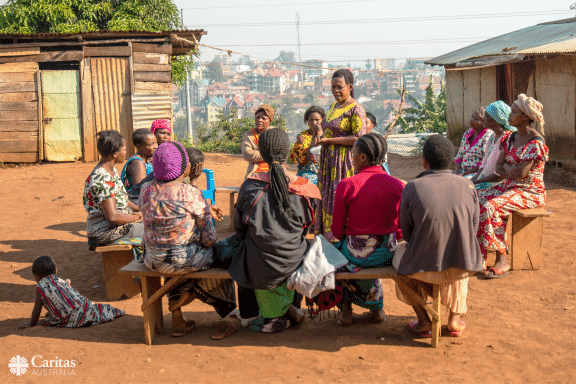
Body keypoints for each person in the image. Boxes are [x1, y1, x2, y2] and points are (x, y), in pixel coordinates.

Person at [228, 128, 321, 333]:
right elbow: (307, 227)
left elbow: (240, 229)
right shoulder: (305, 188)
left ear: (261, 152)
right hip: (294, 260)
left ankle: (250, 314)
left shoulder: (250, 186)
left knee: (239, 251)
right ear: (287, 152)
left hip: (260, 264)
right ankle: (289, 307)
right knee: (302, 247)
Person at [139, 142, 235, 338]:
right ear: (184, 167)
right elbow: (209, 239)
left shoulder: (146, 190)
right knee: (226, 250)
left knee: (176, 257)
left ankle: (177, 318)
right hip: (184, 261)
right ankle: (184, 299)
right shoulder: (191, 193)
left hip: (152, 259)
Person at [396, 135, 484, 338]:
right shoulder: (468, 186)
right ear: (453, 161)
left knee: (398, 258)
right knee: (461, 248)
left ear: (424, 162)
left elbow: (407, 234)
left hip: (421, 267)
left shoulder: (412, 187)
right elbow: (472, 228)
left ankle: (424, 319)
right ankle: (454, 318)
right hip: (464, 266)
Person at [331, 133, 404, 326]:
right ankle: (376, 309)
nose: (351, 158)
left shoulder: (347, 185)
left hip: (357, 255)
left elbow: (337, 231)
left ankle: (346, 310)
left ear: (362, 157)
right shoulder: (397, 184)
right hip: (387, 254)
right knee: (368, 256)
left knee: (337, 254)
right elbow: (401, 231)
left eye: (353, 154)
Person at [477, 94, 548, 278]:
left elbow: (521, 174)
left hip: (529, 191)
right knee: (476, 199)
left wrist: (509, 169)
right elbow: (500, 168)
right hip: (510, 186)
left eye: (514, 111)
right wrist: (511, 169)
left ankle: (502, 260)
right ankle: (480, 257)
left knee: (492, 206)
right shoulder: (511, 138)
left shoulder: (535, 142)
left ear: (525, 116)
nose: (510, 115)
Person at [313, 69, 368, 241]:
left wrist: (329, 141)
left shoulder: (356, 109)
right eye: (333, 87)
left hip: (344, 162)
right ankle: (327, 237)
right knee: (328, 195)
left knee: (340, 197)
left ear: (350, 87)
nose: (336, 90)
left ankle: (342, 238)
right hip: (328, 161)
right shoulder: (333, 107)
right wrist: (319, 132)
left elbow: (359, 138)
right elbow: (326, 130)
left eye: (340, 87)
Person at [18, 256, 125, 329]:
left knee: (56, 316)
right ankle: (118, 312)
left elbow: (37, 308)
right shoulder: (59, 280)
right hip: (85, 308)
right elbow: (69, 296)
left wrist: (31, 324)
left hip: (71, 320)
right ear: (55, 271)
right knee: (102, 309)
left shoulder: (39, 287)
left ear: (38, 277)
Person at [83, 130, 142, 250]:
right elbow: (113, 217)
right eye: (124, 149)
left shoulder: (111, 171)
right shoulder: (101, 178)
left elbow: (123, 201)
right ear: (115, 153)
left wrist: (142, 210)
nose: (126, 152)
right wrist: (138, 218)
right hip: (104, 232)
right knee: (154, 233)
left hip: (116, 227)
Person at [470, 101, 515, 191]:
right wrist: (473, 180)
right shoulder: (492, 137)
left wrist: (475, 182)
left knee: (467, 192)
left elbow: (499, 176)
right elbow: (483, 164)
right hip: (485, 180)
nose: (484, 119)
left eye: (487, 116)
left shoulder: (508, 138)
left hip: (497, 183)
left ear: (497, 119)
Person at [289, 106, 325, 185]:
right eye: (311, 120)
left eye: (317, 120)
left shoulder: (328, 135)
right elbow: (309, 158)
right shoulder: (302, 136)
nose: (314, 123)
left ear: (322, 120)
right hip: (308, 170)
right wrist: (315, 135)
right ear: (307, 121)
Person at [454, 107, 493, 176]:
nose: (471, 120)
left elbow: (484, 162)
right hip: (462, 171)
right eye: (472, 116)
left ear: (484, 122)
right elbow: (459, 156)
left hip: (477, 173)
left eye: (476, 119)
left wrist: (464, 173)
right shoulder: (467, 133)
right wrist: (456, 173)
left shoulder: (488, 136)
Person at [121, 128, 157, 202]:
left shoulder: (147, 160)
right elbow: (140, 190)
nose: (156, 146)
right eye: (151, 144)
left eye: (156, 143)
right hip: (137, 204)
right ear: (139, 147)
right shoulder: (137, 163)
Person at [241, 104, 274, 179]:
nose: (259, 120)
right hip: (255, 173)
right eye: (258, 117)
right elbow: (247, 154)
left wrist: (260, 155)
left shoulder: (275, 133)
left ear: (270, 120)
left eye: (263, 118)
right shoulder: (249, 134)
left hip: (273, 172)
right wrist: (269, 155)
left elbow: (282, 152)